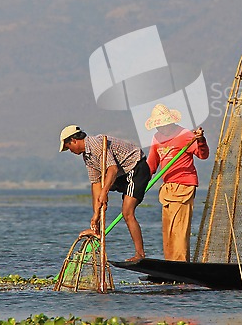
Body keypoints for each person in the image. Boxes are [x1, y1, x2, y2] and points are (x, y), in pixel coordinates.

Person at [59, 125, 151, 261]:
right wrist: (96, 215)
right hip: (121, 173)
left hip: (135, 168)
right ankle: (96, 230)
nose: (70, 151)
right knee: (100, 189)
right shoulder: (87, 157)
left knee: (127, 212)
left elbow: (112, 169)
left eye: (68, 147)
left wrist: (105, 192)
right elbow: (96, 184)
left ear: (73, 140)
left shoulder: (96, 144)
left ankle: (140, 254)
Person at [145, 104, 209, 261]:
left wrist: (200, 140)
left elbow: (203, 154)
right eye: (157, 126)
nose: (159, 128)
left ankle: (180, 264)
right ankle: (170, 263)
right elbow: (152, 165)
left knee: (179, 229)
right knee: (168, 230)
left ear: (169, 122)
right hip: (167, 189)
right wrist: (137, 181)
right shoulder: (157, 138)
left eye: (161, 125)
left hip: (183, 186)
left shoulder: (184, 135)